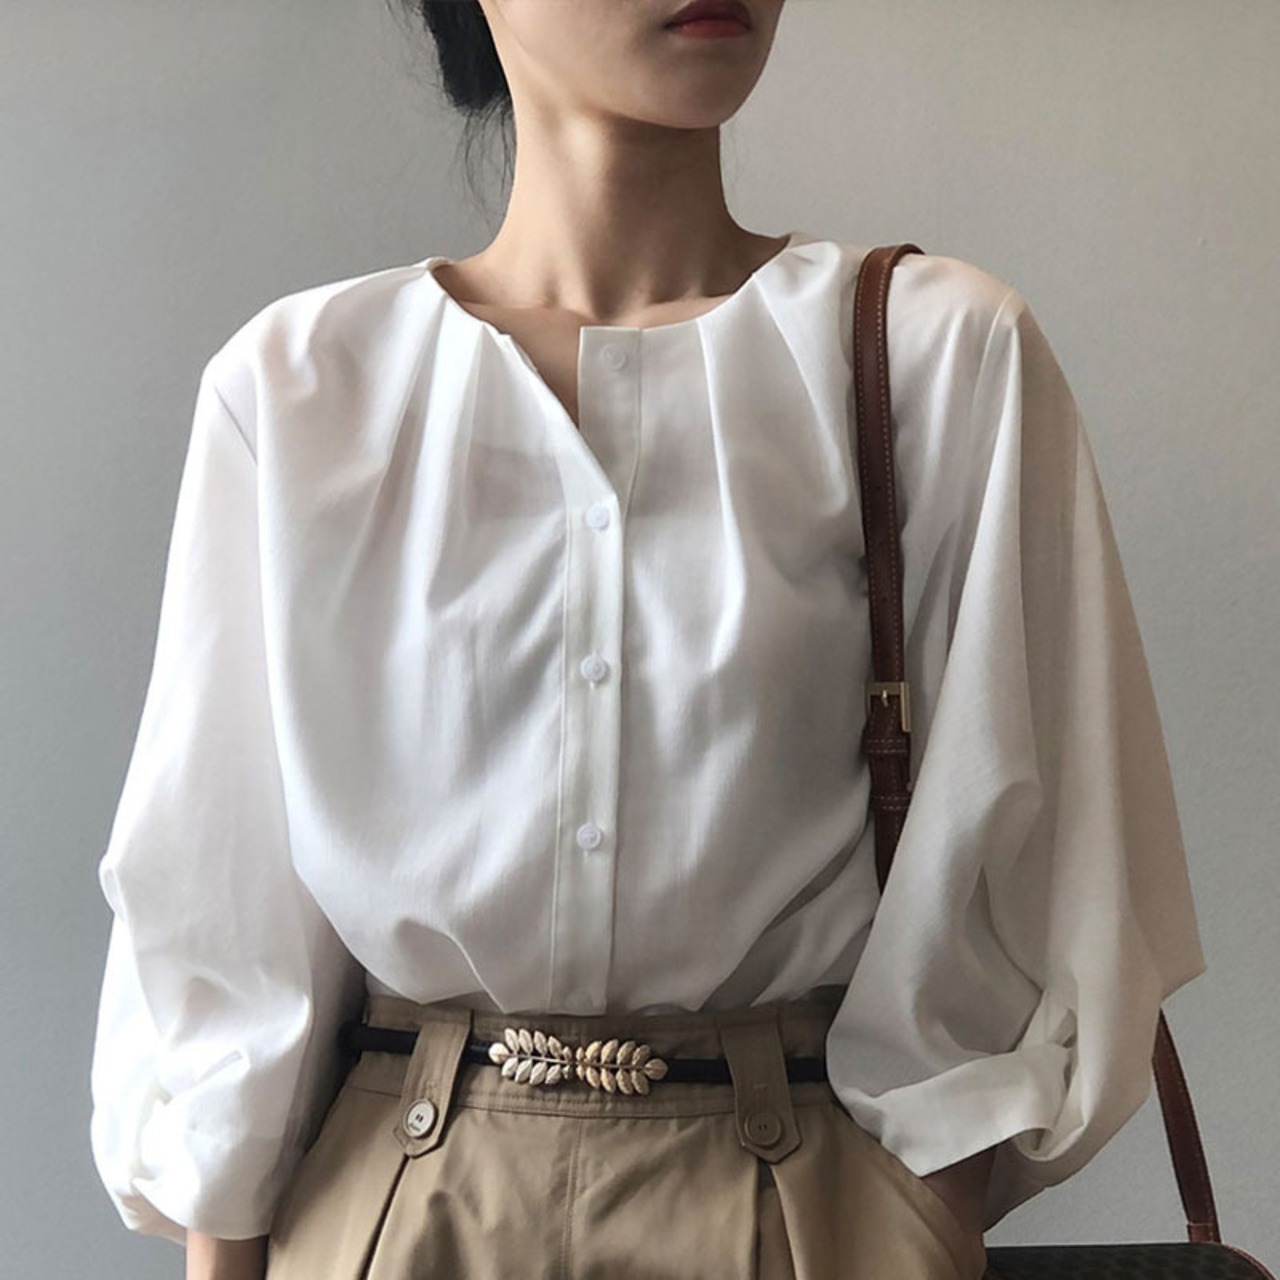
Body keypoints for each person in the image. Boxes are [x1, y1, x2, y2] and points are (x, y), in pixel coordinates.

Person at [88, 2, 1208, 1278]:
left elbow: (1028, 883)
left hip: (805, 1202)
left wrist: (912, 1220)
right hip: (389, 1208)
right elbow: (224, 931)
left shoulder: (932, 356)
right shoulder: (300, 387)